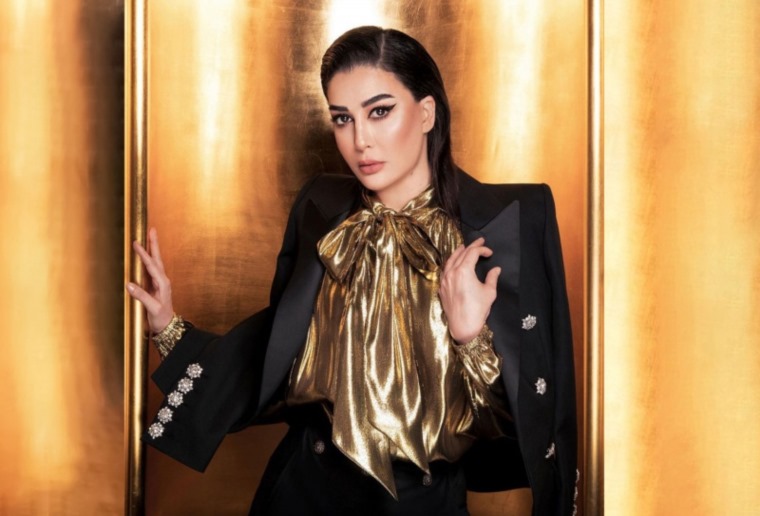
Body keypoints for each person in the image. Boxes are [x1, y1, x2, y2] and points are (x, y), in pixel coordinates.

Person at [127, 26, 577, 516]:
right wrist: (168, 328)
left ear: (426, 113)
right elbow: (275, 358)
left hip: (426, 501)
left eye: (379, 111)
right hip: (303, 493)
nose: (360, 140)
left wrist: (471, 338)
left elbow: (526, 419)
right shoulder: (320, 210)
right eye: (343, 118)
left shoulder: (510, 222)